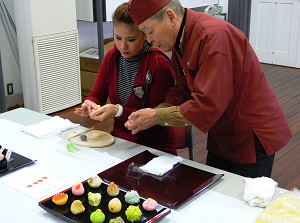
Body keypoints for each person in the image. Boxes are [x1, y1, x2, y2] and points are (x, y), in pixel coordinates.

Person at [125, 0, 292, 177]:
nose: (150, 40)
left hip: (249, 131)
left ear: (170, 16)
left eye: (150, 31)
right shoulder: (180, 39)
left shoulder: (214, 37)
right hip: (222, 131)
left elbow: (208, 104)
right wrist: (155, 112)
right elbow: (182, 90)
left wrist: (157, 116)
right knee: (214, 192)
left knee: (246, 199)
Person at [74, 2, 177, 155]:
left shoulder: (159, 65)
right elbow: (97, 94)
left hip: (154, 147)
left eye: (131, 39)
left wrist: (118, 111)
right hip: (120, 142)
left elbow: (154, 118)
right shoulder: (112, 57)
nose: (123, 46)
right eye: (118, 37)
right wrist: (91, 104)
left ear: (145, 34)